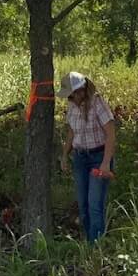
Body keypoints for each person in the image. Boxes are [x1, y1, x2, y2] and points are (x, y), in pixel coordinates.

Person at [58, 71, 116, 243]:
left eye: (71, 94)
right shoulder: (72, 105)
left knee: (94, 205)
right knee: (83, 205)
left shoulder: (98, 103)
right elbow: (71, 132)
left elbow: (111, 134)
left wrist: (106, 163)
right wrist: (64, 155)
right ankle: (87, 240)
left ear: (80, 91)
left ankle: (95, 246)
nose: (69, 98)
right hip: (80, 159)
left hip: (98, 158)